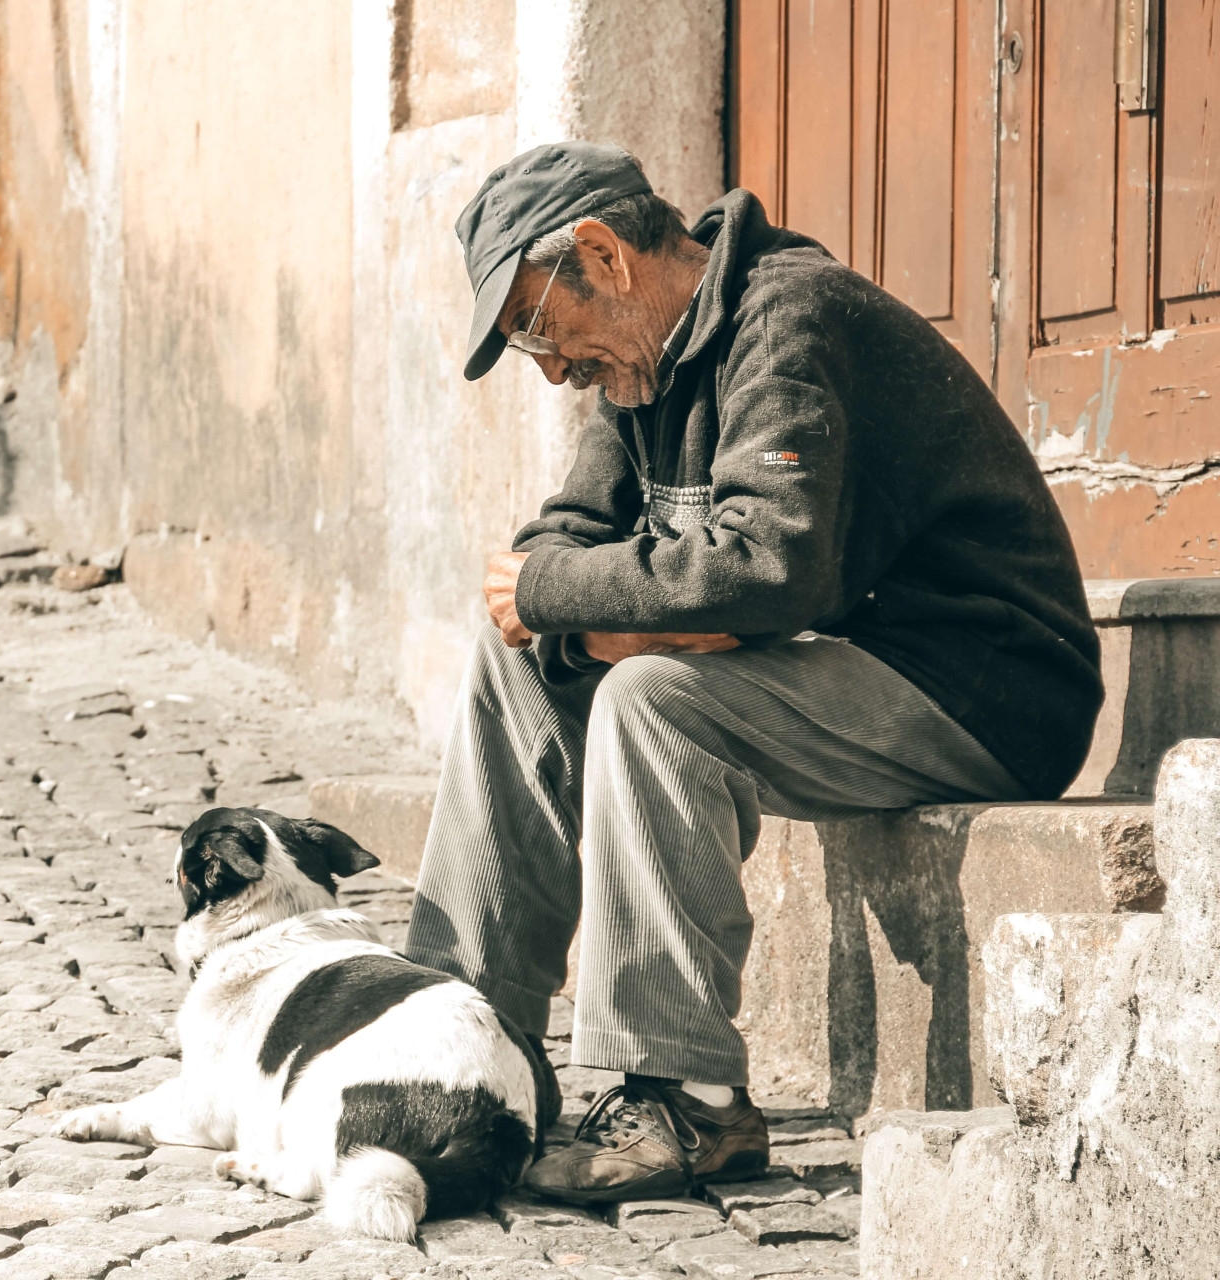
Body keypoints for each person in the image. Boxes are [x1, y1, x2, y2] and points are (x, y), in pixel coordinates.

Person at [402, 141, 1102, 1204]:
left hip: (985, 682)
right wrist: (599, 613)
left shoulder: (790, 316)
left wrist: (602, 613)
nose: (550, 367)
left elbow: (767, 568)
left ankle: (688, 1100)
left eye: (541, 328)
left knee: (653, 702)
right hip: (841, 666)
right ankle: (460, 1052)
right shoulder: (638, 367)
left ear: (604, 254)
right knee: (521, 676)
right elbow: (556, 552)